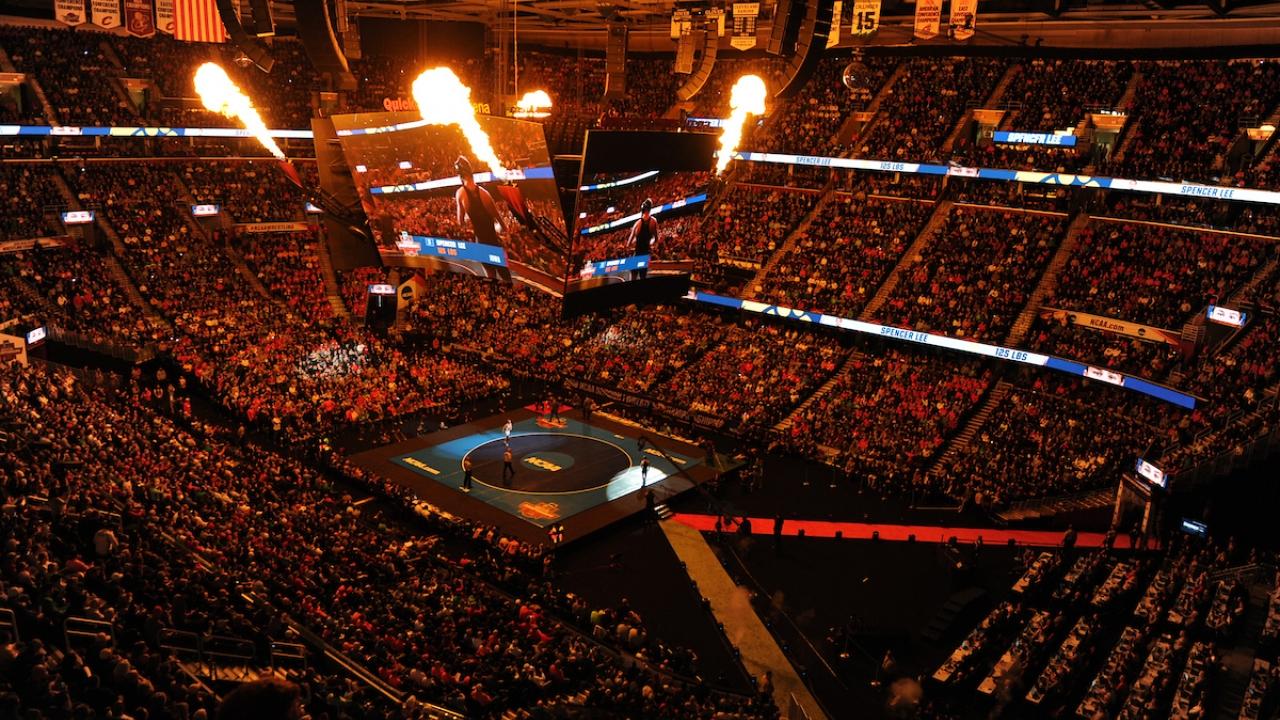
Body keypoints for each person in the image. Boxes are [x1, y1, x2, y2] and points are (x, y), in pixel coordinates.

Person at [454, 156, 505, 247]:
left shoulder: (460, 194)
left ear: (459, 175)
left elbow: (460, 222)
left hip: (480, 242)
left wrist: (467, 218)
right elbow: (502, 224)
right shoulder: (485, 193)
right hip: (494, 242)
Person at [628, 197, 658, 280]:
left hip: (637, 253)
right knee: (643, 276)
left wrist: (635, 242)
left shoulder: (637, 223)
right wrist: (650, 244)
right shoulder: (654, 221)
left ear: (642, 209)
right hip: (646, 254)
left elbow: (628, 244)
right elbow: (656, 239)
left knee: (633, 276)